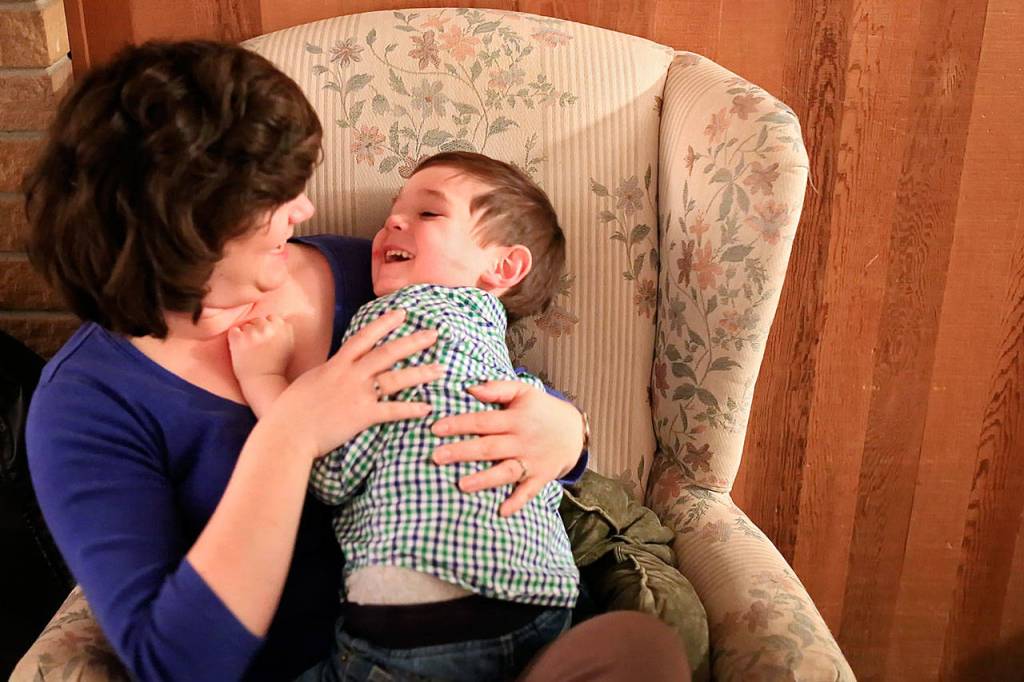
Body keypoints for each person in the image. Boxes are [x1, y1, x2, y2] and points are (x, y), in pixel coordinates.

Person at [22, 40, 691, 682]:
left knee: (636, 651)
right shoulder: (85, 404)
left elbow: (479, 386)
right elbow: (178, 663)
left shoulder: (366, 273)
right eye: (274, 200)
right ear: (189, 232)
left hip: (497, 627)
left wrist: (565, 435)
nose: (305, 207)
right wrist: (288, 436)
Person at [229, 151, 579, 681]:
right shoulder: (497, 367)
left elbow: (332, 470)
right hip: (544, 602)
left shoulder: (393, 328)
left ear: (504, 266)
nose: (392, 221)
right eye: (393, 211)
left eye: (429, 214)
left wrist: (264, 380)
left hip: (418, 623)